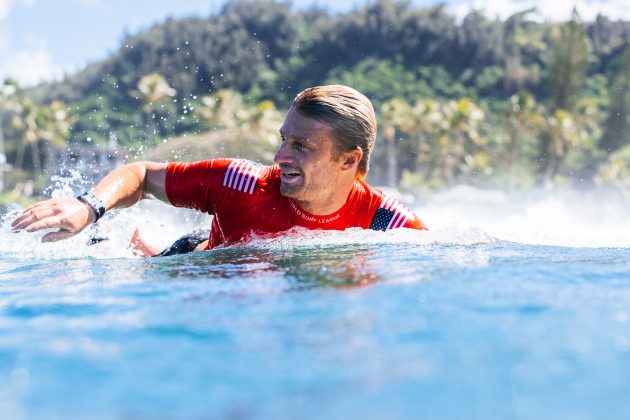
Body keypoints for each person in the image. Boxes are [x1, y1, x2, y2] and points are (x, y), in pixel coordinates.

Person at [11, 85, 427, 256]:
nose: (281, 155)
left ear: (349, 160)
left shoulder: (386, 223)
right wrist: (90, 207)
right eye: (284, 139)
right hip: (203, 258)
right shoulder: (242, 183)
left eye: (301, 146)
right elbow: (141, 176)